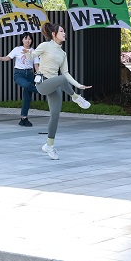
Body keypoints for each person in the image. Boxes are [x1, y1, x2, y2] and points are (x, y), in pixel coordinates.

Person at [31, 23, 92, 160]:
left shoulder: (63, 53)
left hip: (55, 84)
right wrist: (27, 54)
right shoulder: (45, 45)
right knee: (61, 79)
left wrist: (78, 85)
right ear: (54, 34)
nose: (64, 33)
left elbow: (66, 73)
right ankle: (76, 98)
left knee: (55, 116)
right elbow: (32, 56)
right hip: (42, 83)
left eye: (64, 31)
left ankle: (49, 145)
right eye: (61, 31)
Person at [0, 32, 40, 127]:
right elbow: (7, 58)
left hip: (30, 74)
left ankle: (24, 118)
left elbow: (36, 66)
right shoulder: (17, 49)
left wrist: (39, 74)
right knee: (27, 85)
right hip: (19, 74)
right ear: (22, 40)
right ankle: (41, 91)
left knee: (27, 97)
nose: (28, 41)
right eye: (26, 38)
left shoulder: (33, 51)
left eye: (29, 39)